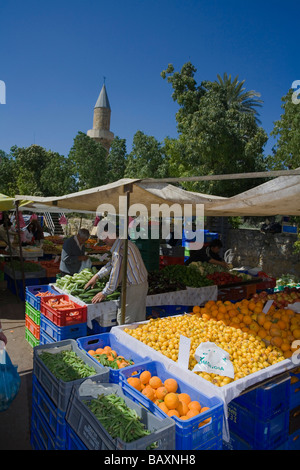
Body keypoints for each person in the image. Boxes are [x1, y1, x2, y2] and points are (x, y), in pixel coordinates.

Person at [84, 223, 148, 325]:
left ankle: (126, 339)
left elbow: (116, 273)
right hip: (141, 284)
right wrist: (96, 276)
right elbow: (111, 264)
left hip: (134, 287)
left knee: (124, 320)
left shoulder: (120, 249)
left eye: (106, 236)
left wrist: (105, 292)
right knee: (138, 318)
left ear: (113, 234)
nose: (104, 240)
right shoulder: (124, 243)